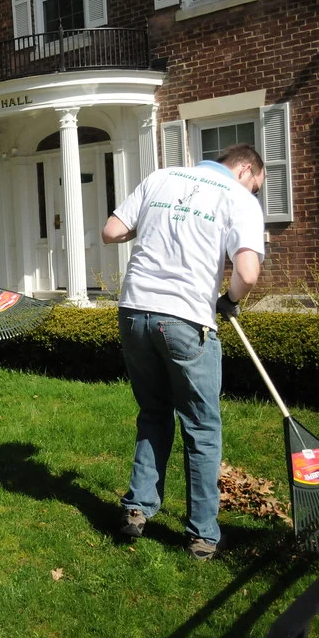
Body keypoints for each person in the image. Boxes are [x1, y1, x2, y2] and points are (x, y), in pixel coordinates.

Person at [101, 143, 266, 560]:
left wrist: (153, 225)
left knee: (154, 412)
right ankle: (202, 535)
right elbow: (247, 273)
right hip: (185, 319)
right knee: (202, 427)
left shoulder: (161, 177)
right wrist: (230, 299)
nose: (255, 193)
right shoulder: (239, 198)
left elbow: (112, 231)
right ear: (245, 171)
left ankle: (137, 508)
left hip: (134, 312)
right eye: (257, 186)